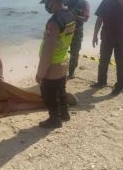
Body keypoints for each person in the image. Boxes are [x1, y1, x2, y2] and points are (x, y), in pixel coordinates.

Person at [36, 0, 76, 128]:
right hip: (64, 58)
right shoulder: (70, 16)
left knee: (48, 94)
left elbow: (48, 50)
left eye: (46, 3)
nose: (46, 6)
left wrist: (40, 72)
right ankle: (64, 114)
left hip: (53, 63)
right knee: (61, 90)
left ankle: (54, 120)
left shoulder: (54, 22)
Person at [0, 81, 78, 121]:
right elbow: (3, 116)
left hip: (10, 99)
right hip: (14, 106)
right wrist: (9, 107)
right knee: (38, 105)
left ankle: (59, 99)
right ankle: (61, 103)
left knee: (32, 96)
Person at [91, 0, 123, 95]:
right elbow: (100, 18)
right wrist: (95, 35)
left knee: (121, 62)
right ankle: (101, 81)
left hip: (122, 37)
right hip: (107, 35)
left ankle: (119, 86)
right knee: (103, 61)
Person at [66, 0, 90, 79]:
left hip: (77, 32)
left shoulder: (84, 3)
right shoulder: (68, 1)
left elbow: (86, 19)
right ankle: (60, 71)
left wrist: (75, 17)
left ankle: (71, 72)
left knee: (74, 53)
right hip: (65, 30)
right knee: (61, 51)